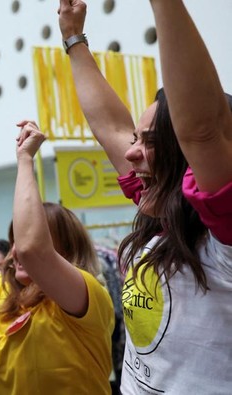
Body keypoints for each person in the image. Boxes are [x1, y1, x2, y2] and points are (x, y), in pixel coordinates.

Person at [59, 1, 232, 393]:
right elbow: (109, 125)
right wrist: (73, 37)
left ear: (186, 157)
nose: (131, 153)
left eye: (150, 143)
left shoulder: (224, 240)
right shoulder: (163, 213)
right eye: (136, 139)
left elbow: (203, 130)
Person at [0, 121, 114, 394]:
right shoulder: (3, 296)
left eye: (26, 240)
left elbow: (34, 251)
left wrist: (24, 160)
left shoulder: (87, 295)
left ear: (66, 252)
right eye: (13, 241)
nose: (17, 251)